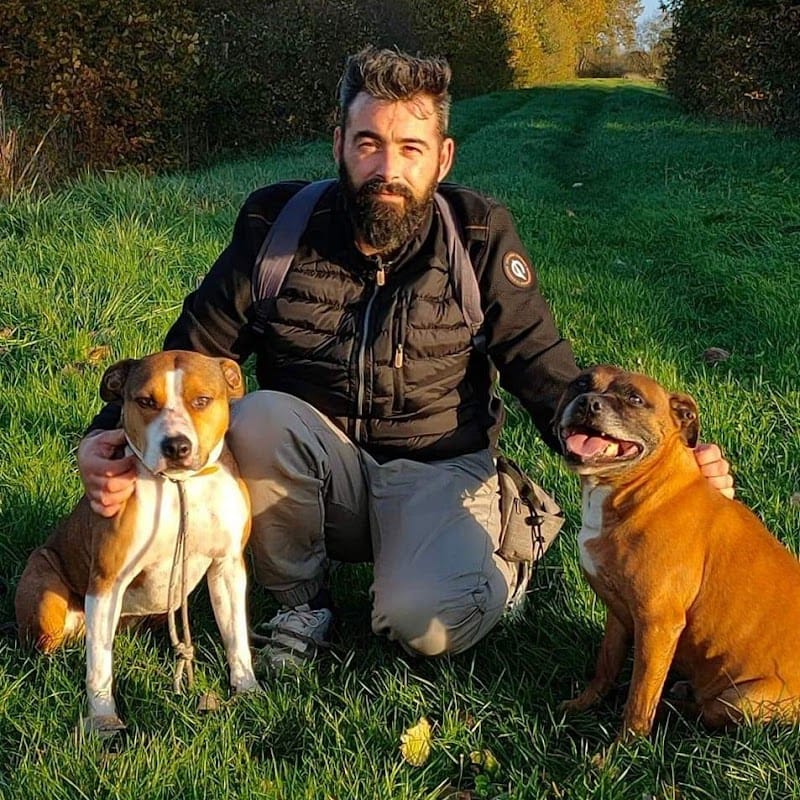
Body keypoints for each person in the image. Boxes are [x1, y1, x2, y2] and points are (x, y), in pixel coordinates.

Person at [78, 47, 734, 668]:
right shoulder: (276, 226)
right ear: (339, 143)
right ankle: (302, 604)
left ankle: (508, 547)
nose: (387, 169)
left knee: (426, 625)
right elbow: (189, 355)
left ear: (442, 158)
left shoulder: (477, 235)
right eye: (369, 144)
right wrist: (106, 442)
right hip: (318, 471)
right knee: (253, 418)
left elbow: (543, 369)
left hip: (436, 468)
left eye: (410, 148)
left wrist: (669, 460)